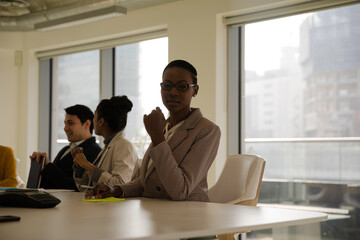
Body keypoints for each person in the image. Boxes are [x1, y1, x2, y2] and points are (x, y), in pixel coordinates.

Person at [86, 59, 221, 202]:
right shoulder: (164, 127)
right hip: (157, 212)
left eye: (182, 86)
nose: (173, 92)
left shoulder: (207, 130)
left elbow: (180, 190)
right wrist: (117, 190)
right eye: (167, 85)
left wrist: (156, 135)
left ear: (195, 90)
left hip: (189, 216)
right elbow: (148, 182)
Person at [72, 95, 138, 191]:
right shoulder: (109, 145)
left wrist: (87, 165)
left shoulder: (124, 145)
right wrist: (80, 168)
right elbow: (88, 187)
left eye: (94, 116)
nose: (92, 120)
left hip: (117, 206)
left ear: (101, 121)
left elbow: (120, 185)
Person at [30, 104, 101, 190]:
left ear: (87, 124)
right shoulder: (66, 149)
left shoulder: (95, 151)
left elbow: (78, 186)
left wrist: (48, 166)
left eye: (70, 123)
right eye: (65, 123)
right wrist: (40, 165)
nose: (65, 128)